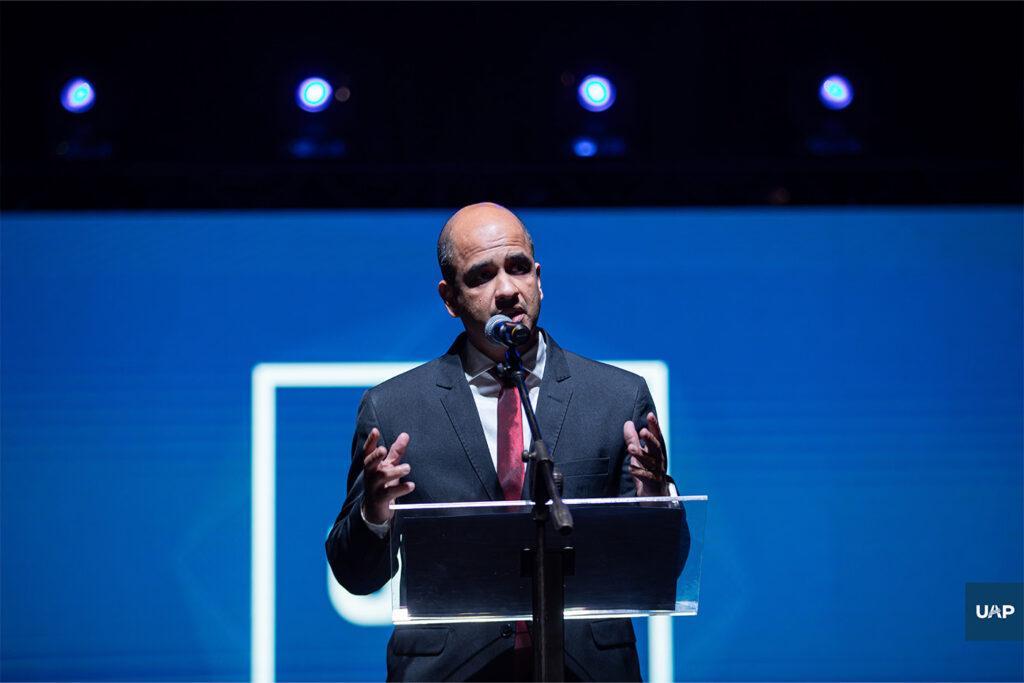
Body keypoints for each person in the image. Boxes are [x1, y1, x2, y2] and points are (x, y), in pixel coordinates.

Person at [326, 202, 675, 681]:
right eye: (482, 276)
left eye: (518, 268)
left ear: (539, 276)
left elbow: (661, 572)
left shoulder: (618, 397)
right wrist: (375, 514)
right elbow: (354, 576)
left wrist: (655, 499)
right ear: (450, 298)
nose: (508, 290)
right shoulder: (394, 409)